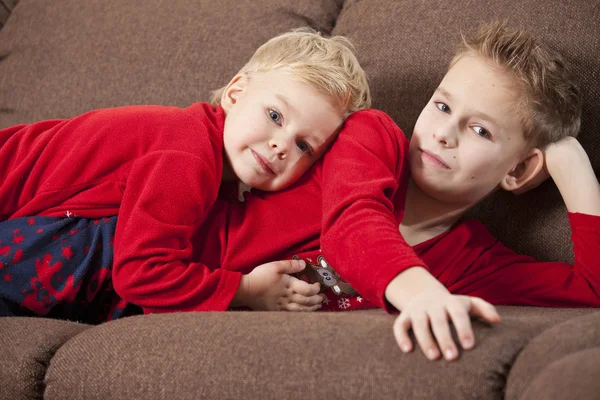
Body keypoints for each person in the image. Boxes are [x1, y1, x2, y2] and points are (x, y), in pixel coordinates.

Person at [212, 20, 599, 362]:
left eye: (480, 130)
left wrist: (573, 165)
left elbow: (592, 290)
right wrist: (423, 296)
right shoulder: (372, 136)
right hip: (174, 262)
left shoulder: (472, 262)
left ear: (518, 169)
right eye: (443, 107)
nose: (444, 134)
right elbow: (354, 225)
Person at [0, 29, 371, 322]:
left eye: (305, 147)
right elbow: (139, 273)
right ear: (236, 93)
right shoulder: (187, 153)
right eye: (275, 116)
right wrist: (245, 290)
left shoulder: (217, 176)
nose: (281, 146)